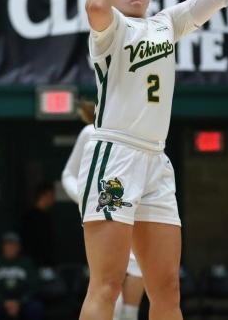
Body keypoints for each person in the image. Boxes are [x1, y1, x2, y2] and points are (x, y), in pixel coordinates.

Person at [79, 0, 228, 320]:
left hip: (155, 160)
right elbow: (95, 6)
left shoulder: (167, 23)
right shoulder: (109, 28)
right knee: (108, 285)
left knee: (166, 289)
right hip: (115, 155)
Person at [61, 99, 145, 320]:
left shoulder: (141, 132)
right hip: (104, 211)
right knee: (107, 288)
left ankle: (129, 314)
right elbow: (68, 174)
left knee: (137, 275)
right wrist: (84, 198)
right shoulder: (90, 133)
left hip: (135, 210)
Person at [0, 232, 44, 320]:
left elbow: (34, 285)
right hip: (0, 300)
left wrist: (20, 302)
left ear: (19, 247)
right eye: (8, 245)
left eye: (13, 245)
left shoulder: (27, 262)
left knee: (36, 307)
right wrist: (4, 301)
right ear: (3, 246)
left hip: (23, 300)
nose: (10, 248)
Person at [20, 182, 56, 267]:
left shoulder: (47, 216)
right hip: (33, 263)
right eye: (51, 196)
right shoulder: (29, 217)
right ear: (44, 196)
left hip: (47, 263)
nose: (53, 199)